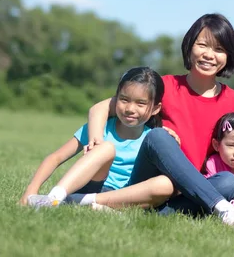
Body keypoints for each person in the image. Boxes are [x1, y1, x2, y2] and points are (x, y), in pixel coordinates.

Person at [83, 13, 234, 225]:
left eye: (219, 49)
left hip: (187, 198)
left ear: (228, 56)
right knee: (158, 136)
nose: (209, 55)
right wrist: (96, 142)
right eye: (203, 45)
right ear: (190, 46)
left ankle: (140, 212)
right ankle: (219, 207)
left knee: (227, 182)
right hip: (149, 185)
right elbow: (99, 109)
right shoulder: (164, 87)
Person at [20, 67, 173, 209]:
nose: (130, 109)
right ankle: (54, 198)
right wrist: (31, 190)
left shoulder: (151, 139)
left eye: (141, 103)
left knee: (166, 184)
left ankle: (87, 202)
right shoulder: (100, 128)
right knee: (106, 148)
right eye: (124, 99)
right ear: (115, 99)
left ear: (155, 109)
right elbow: (56, 157)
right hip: (92, 185)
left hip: (123, 196)